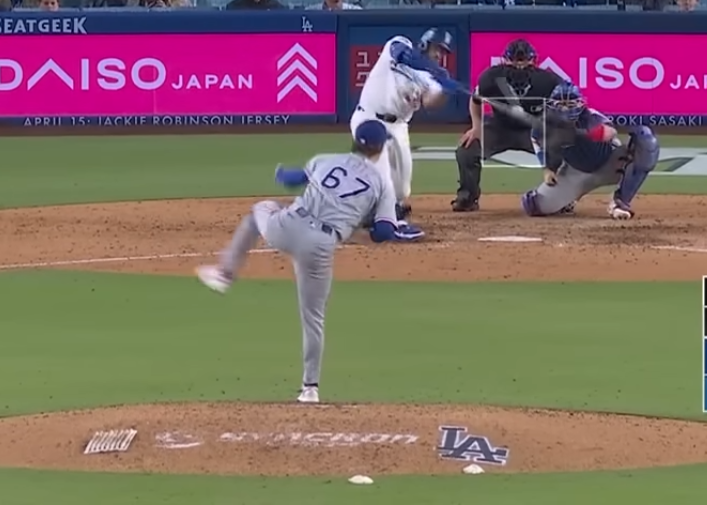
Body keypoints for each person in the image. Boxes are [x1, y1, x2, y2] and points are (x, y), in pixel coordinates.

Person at [193, 119, 423, 404]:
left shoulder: (326, 160)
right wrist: (356, 233)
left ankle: (225, 274)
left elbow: (290, 179)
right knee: (313, 318)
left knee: (259, 211)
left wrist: (281, 173)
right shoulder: (381, 184)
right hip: (319, 246)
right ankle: (310, 389)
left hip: (285, 227)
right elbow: (385, 232)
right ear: (379, 149)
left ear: (354, 141)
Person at [351, 28, 467, 224]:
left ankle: (385, 207)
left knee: (402, 190)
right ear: (424, 44)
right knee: (382, 177)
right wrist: (436, 72)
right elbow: (402, 54)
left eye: (443, 52)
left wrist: (446, 91)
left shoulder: (432, 78)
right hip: (370, 119)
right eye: (437, 49)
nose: (439, 55)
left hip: (399, 127)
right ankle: (374, 213)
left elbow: (430, 103)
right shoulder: (399, 45)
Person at [516, 82, 658, 221]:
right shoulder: (545, 123)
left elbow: (610, 132)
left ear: (580, 104)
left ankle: (620, 202)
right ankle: (569, 199)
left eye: (570, 104)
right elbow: (536, 139)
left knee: (646, 141)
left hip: (611, 163)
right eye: (560, 104)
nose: (565, 109)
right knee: (533, 205)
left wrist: (585, 133)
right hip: (575, 173)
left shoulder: (590, 116)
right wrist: (547, 169)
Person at [452, 38, 562, 212]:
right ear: (505, 60)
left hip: (534, 131)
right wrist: (477, 127)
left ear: (533, 61)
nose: (519, 66)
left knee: (564, 148)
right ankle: (468, 197)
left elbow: (565, 105)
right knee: (467, 149)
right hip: (500, 128)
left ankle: (561, 198)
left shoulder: (547, 81)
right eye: (515, 61)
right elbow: (475, 100)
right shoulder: (491, 78)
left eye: (524, 61)